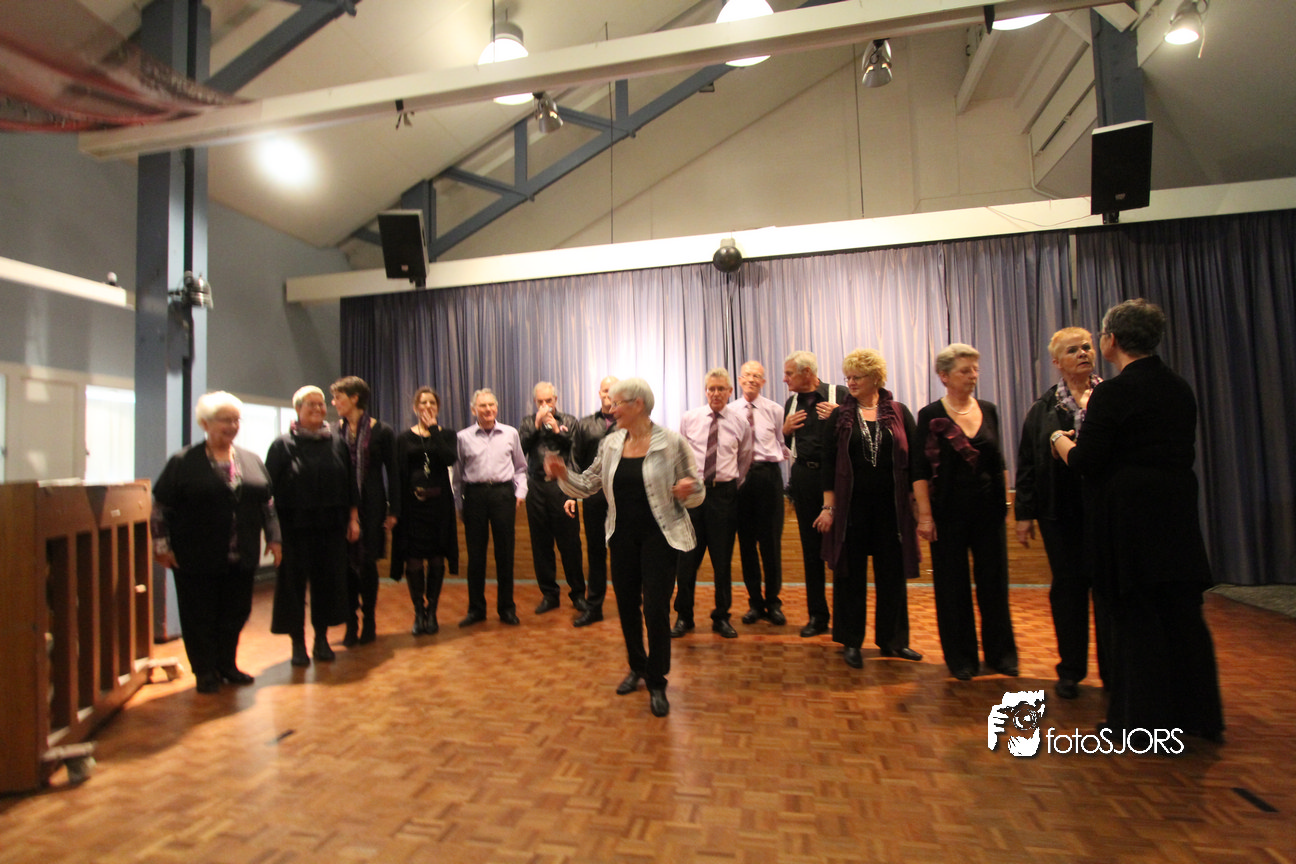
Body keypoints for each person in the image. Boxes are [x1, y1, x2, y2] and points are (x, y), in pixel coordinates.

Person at [1052, 299, 1223, 742]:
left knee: (1137, 619)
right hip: (1176, 511)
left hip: (1130, 518)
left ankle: (1143, 722)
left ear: (1111, 340)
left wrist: (1059, 441)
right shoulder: (1179, 387)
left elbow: (1087, 461)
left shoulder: (1113, 393)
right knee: (1183, 617)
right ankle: (1200, 717)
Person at [547, 378, 704, 717]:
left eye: (618, 403)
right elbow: (587, 484)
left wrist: (689, 488)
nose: (612, 408)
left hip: (661, 538)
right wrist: (563, 475)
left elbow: (698, 489)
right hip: (621, 538)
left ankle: (657, 679)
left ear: (638, 405)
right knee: (628, 607)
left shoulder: (671, 442)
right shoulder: (611, 444)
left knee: (656, 610)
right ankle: (637, 666)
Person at [152, 391, 282, 693]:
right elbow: (160, 508)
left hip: (242, 554)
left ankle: (227, 664)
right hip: (196, 555)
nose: (232, 426)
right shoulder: (183, 462)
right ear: (205, 423)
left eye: (236, 420)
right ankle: (205, 670)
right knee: (199, 614)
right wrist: (161, 546)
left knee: (236, 612)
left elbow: (267, 504)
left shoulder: (250, 459)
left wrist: (274, 537)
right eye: (225, 420)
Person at [912, 344, 1018, 681]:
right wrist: (925, 517)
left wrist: (1006, 503)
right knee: (952, 587)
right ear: (944, 376)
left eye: (975, 369)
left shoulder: (989, 409)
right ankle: (961, 658)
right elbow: (919, 471)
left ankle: (1001, 655)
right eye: (965, 370)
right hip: (947, 514)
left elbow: (999, 461)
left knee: (994, 584)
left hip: (989, 513)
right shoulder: (930, 415)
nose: (973, 376)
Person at [813, 349, 922, 668]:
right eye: (848, 377)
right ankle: (851, 641)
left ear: (876, 378)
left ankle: (893, 641)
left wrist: (918, 504)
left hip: (892, 509)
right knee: (850, 576)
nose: (850, 383)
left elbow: (915, 460)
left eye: (856, 377)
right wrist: (828, 507)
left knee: (892, 575)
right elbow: (828, 463)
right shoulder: (840, 416)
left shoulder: (900, 412)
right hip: (851, 510)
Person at [1014, 328, 1107, 699]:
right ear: (1056, 362)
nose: (1083, 353)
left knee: (1108, 593)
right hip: (1060, 513)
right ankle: (1070, 671)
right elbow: (1027, 463)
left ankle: (1114, 672)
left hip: (1107, 512)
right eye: (1072, 350)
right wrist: (1024, 514)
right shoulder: (1042, 409)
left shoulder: (1111, 397)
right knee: (1068, 592)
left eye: (1086, 347)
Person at [267, 386, 356, 667]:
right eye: (311, 405)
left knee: (327, 584)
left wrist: (353, 519)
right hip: (294, 529)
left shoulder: (337, 443)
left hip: (331, 528)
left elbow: (350, 485)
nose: (318, 409)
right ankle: (297, 643)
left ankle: (321, 639)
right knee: (293, 587)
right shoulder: (281, 445)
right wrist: (273, 535)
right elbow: (269, 493)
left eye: (321, 404)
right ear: (298, 409)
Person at [674, 368, 753, 638]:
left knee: (722, 562)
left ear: (730, 391)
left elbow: (744, 459)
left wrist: (728, 485)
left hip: (724, 498)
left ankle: (721, 617)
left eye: (721, 389)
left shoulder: (740, 422)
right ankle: (684, 616)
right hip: (693, 497)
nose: (716, 393)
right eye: (711, 389)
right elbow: (679, 455)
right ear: (705, 391)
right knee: (686, 561)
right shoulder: (690, 418)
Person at [331, 376, 400, 646]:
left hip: (371, 506)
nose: (334, 403)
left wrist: (394, 510)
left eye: (338, 397)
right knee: (345, 566)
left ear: (354, 398)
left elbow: (393, 473)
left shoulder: (382, 431)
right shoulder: (334, 432)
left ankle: (369, 620)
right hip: (341, 508)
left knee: (368, 564)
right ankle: (351, 623)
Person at [783, 350, 847, 637]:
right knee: (811, 550)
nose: (785, 379)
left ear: (807, 372)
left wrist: (841, 416)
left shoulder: (840, 395)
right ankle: (817, 616)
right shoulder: (791, 403)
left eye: (789, 374)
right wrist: (785, 430)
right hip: (805, 478)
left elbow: (859, 429)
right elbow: (789, 444)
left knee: (842, 550)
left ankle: (844, 622)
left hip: (836, 478)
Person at [452, 388, 527, 626]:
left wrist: (520, 492)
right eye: (482, 406)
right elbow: (457, 477)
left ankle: (506, 609)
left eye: (491, 405)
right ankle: (476, 609)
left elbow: (521, 468)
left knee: (505, 554)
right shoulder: (463, 437)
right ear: (474, 409)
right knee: (476, 557)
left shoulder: (510, 433)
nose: (488, 409)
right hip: (474, 497)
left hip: (503, 495)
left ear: (497, 407)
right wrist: (459, 504)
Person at [393, 386, 458, 636]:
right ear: (415, 407)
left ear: (438, 407)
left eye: (432, 403)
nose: (427, 406)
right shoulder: (403, 438)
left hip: (438, 507)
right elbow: (398, 473)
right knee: (413, 558)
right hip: (412, 508)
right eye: (423, 403)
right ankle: (419, 611)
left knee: (436, 557)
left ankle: (432, 611)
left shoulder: (446, 434)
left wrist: (433, 430)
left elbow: (449, 458)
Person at [520, 381, 587, 616]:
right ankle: (549, 594)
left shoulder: (569, 421)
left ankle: (578, 594)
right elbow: (521, 448)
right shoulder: (528, 423)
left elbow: (575, 452)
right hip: (537, 486)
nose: (545, 405)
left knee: (570, 544)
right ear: (535, 402)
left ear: (555, 400)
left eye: (548, 401)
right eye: (540, 402)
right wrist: (537, 425)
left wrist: (557, 430)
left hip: (562, 487)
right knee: (541, 544)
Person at [734, 361, 790, 627]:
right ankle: (755, 603)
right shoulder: (730, 411)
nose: (752, 380)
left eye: (757, 376)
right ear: (740, 379)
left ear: (764, 382)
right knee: (747, 545)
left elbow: (781, 442)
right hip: (741, 479)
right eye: (748, 375)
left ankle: (773, 602)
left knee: (771, 544)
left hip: (768, 477)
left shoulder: (775, 410)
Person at [566, 376, 619, 627]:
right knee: (596, 553)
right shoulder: (585, 424)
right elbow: (575, 460)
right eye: (606, 390)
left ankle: (631, 601)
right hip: (595, 499)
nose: (610, 394)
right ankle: (594, 607)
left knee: (625, 552)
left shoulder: (631, 423)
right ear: (599, 393)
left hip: (623, 499)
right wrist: (572, 493)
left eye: (614, 390)